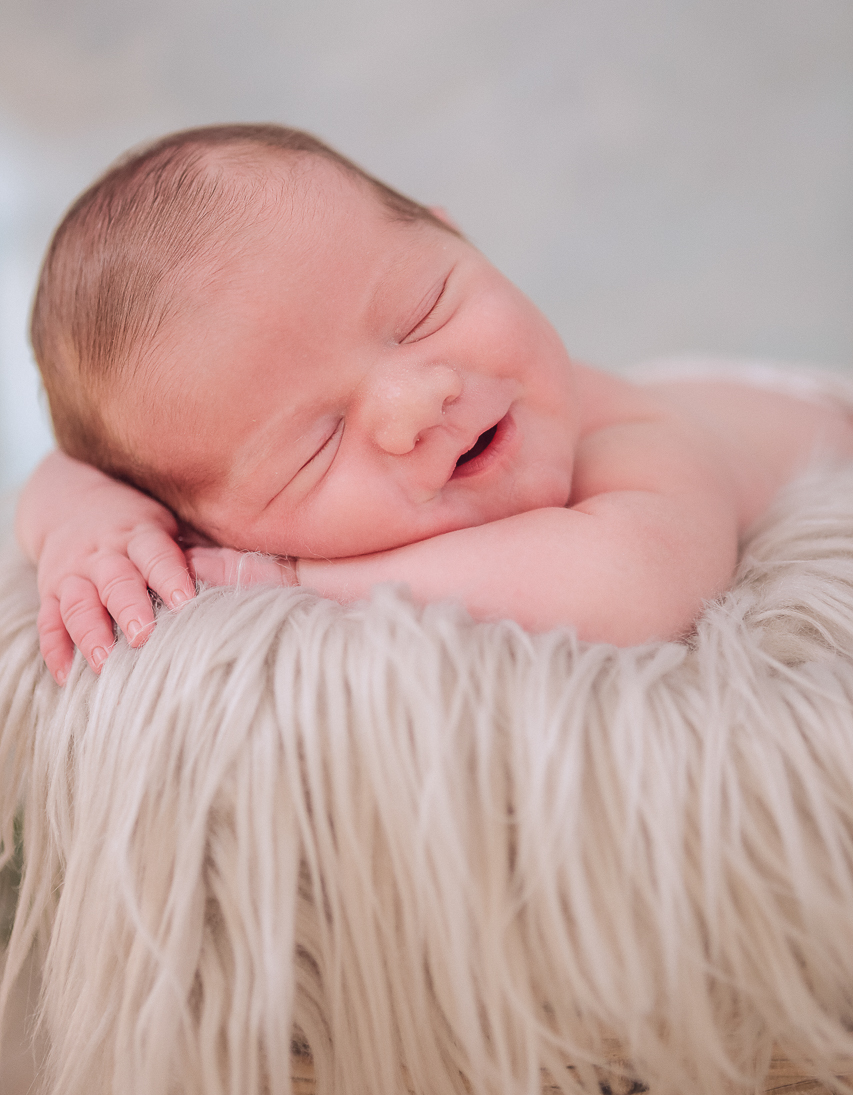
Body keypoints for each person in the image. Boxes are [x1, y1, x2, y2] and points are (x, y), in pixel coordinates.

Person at [14, 124, 853, 685]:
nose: (416, 401)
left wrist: (295, 577)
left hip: (806, 417)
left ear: (460, 239)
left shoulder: (629, 439)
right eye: (318, 443)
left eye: (422, 313)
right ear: (210, 521)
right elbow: (73, 468)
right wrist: (85, 526)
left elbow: (630, 588)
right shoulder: (200, 471)